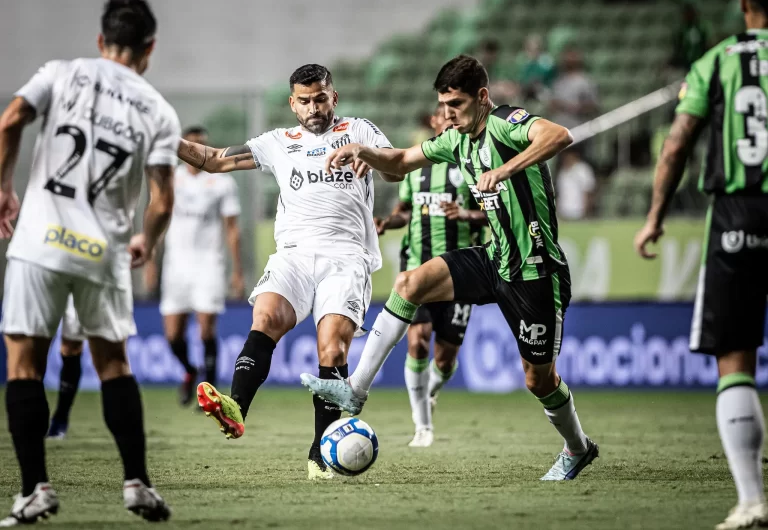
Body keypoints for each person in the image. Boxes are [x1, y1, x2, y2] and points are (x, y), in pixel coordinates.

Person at [302, 55, 599, 481]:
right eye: (442, 105)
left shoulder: (505, 123)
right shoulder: (455, 140)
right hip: (494, 257)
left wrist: (504, 168)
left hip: (536, 271)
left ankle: (577, 447)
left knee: (540, 381)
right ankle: (355, 391)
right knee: (409, 283)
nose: (447, 115)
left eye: (455, 105)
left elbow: (560, 134)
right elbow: (401, 161)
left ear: (482, 97)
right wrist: (362, 151)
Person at [0, 0, 178, 524]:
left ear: (101, 41)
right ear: (149, 49)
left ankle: (35, 489)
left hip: (39, 243)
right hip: (104, 252)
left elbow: (11, 121)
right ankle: (138, 484)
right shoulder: (158, 111)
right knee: (114, 364)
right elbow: (163, 199)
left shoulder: (62, 73)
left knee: (24, 365)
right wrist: (147, 239)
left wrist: (4, 189)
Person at [174, 64, 400, 480]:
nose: (314, 107)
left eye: (320, 98)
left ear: (334, 97)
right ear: (292, 104)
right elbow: (210, 160)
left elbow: (396, 168)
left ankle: (320, 454)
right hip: (293, 254)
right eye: (304, 100)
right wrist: (160, 138)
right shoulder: (277, 143)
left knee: (331, 349)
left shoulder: (360, 130)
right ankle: (236, 408)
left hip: (346, 257)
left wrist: (368, 154)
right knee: (267, 317)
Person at [635, 0, 768, 530]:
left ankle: (752, 501)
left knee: (733, 356)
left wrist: (656, 217)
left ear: (744, 3)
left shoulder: (716, 61)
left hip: (737, 212)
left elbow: (677, 145)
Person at [376, 105, 486, 447]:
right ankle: (422, 426)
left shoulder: (470, 161)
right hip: (418, 267)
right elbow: (404, 212)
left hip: (460, 272)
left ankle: (431, 391)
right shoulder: (416, 168)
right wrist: (386, 223)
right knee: (418, 338)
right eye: (438, 117)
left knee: (446, 355)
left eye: (447, 115)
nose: (442, 120)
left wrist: (465, 214)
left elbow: (491, 211)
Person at [144, 126, 244, 405]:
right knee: (173, 335)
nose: (197, 151)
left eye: (203, 145)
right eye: (193, 145)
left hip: (209, 263)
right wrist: (151, 260)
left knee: (206, 329)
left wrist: (237, 272)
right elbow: (157, 218)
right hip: (176, 264)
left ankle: (209, 392)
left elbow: (232, 229)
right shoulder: (171, 179)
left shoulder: (222, 182)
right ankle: (189, 371)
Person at [46, 298, 84, 439]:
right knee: (34, 346)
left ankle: (60, 417)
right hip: (42, 277)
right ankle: (33, 418)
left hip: (76, 280)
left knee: (71, 347)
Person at [549, 47, 600, 131]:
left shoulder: (586, 82)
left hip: (580, 129)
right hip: (561, 130)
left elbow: (594, 106)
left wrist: (577, 108)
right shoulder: (559, 82)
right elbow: (552, 105)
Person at [670, 2, 713, 72]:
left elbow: (707, 44)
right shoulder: (681, 30)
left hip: (700, 60)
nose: (688, 16)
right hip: (685, 63)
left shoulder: (702, 29)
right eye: (686, 14)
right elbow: (678, 48)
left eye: (690, 13)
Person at [556, 147, 597, 220]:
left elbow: (588, 192)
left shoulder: (583, 169)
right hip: (564, 211)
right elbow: (560, 193)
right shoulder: (562, 171)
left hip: (578, 211)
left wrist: (586, 211)